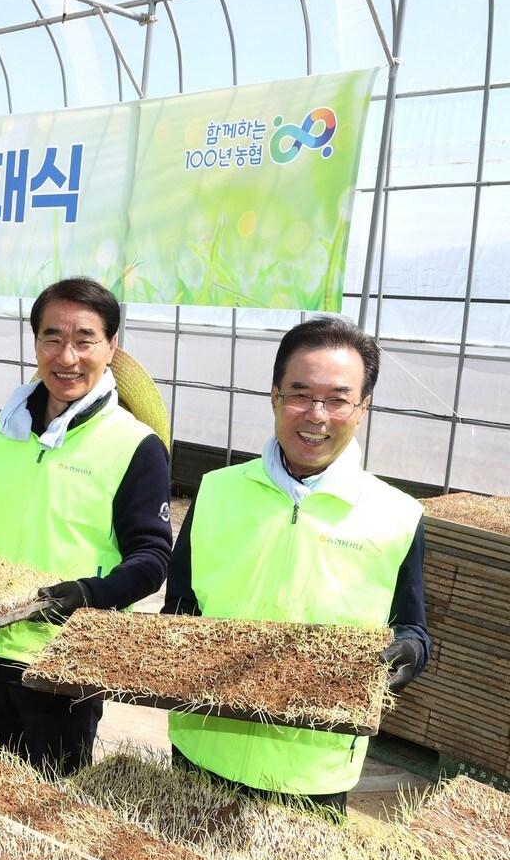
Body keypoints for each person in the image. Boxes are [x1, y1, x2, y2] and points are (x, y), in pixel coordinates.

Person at [0, 277, 173, 777]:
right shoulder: (2, 430)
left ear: (111, 347)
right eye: (52, 338)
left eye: (84, 339)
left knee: (53, 804)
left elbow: (152, 559)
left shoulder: (134, 445)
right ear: (35, 344)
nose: (66, 356)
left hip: (65, 659)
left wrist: (86, 594)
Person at [165, 316, 430, 817]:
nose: (316, 415)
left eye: (337, 399)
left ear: (363, 408)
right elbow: (181, 603)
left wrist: (405, 657)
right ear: (273, 396)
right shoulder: (217, 491)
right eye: (300, 394)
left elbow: (413, 628)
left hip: (312, 769)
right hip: (201, 746)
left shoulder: (397, 516)